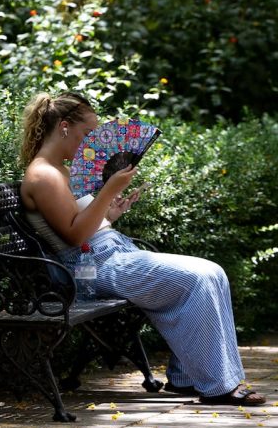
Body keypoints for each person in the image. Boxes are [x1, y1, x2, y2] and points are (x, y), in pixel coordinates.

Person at [18, 91, 266, 406]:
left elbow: (82, 223)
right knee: (200, 277)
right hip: (90, 267)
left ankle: (187, 378)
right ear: (64, 127)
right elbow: (75, 236)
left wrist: (110, 213)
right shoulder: (43, 176)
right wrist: (108, 191)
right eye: (87, 133)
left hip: (111, 253)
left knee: (213, 273)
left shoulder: (60, 170)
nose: (91, 142)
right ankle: (218, 386)